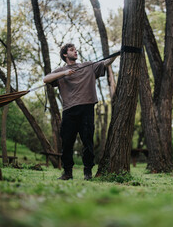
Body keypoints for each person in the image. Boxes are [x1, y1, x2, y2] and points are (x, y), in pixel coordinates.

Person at [43, 43, 118, 180]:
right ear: (65, 54)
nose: (75, 51)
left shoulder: (88, 66)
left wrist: (117, 53)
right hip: (69, 110)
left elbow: (105, 62)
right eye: (72, 50)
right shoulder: (61, 70)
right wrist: (64, 73)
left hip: (87, 108)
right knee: (67, 143)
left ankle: (88, 172)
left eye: (76, 49)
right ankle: (67, 173)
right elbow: (46, 79)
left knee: (88, 142)